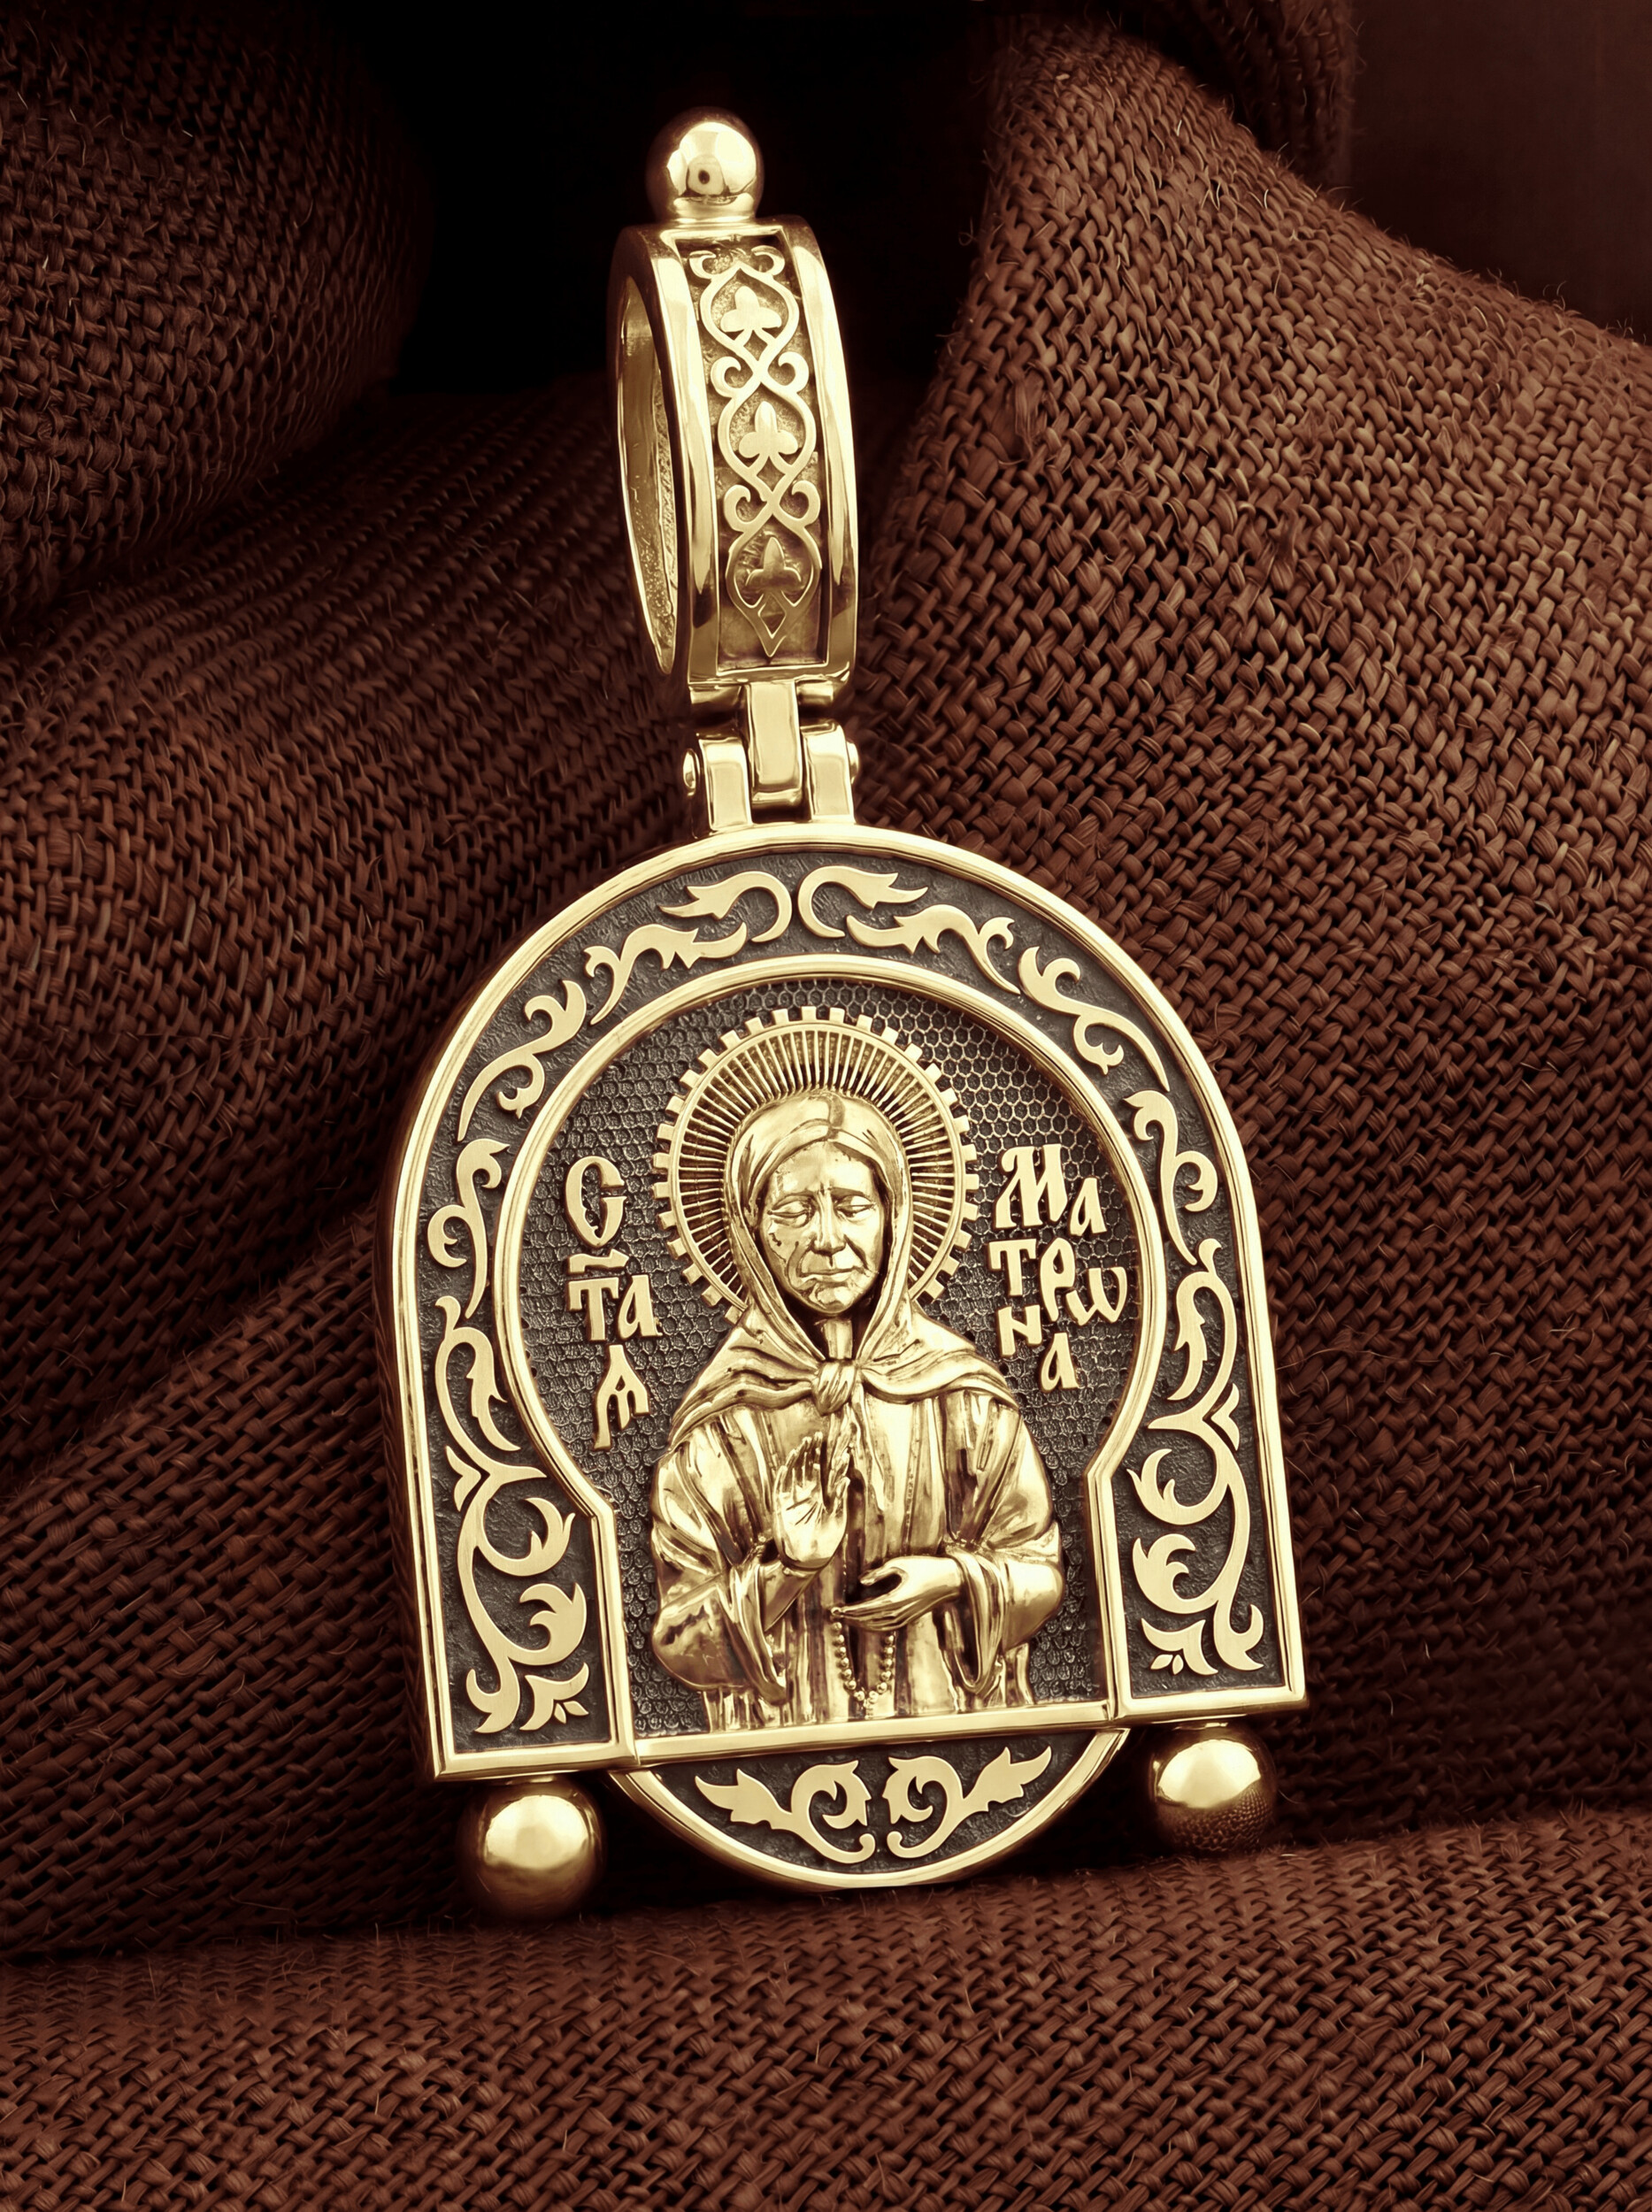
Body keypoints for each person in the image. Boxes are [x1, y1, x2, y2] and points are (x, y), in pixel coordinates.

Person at [650, 1087, 1064, 1731]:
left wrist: (952, 1579)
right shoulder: (721, 1425)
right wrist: (786, 1570)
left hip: (964, 1731)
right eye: (793, 1211)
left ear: (893, 1217)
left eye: (851, 1206)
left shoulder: (965, 1399)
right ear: (750, 1231)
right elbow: (679, 1639)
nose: (826, 1239)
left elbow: (1038, 1570)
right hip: (770, 1758)